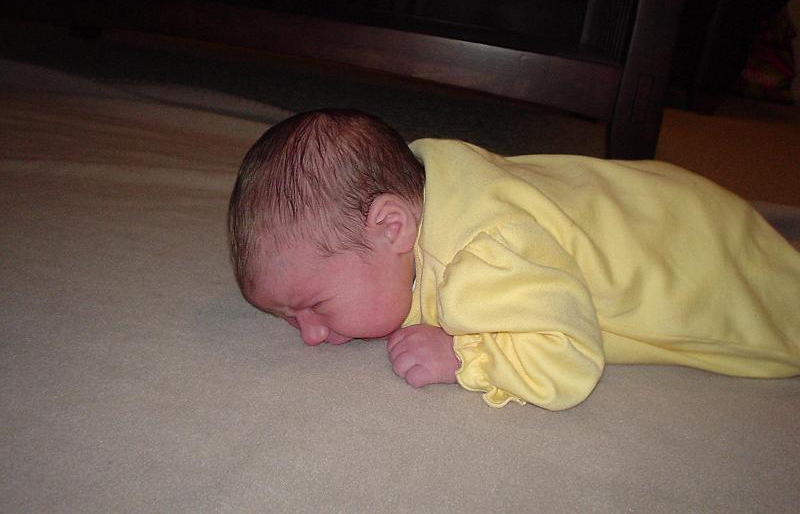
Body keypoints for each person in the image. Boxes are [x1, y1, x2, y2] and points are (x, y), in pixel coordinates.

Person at [228, 109, 800, 410]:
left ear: (392, 227)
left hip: (697, 257)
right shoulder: (424, 182)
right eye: (287, 316)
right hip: (654, 197)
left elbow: (569, 360)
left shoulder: (481, 261)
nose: (309, 333)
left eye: (314, 305)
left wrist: (464, 356)